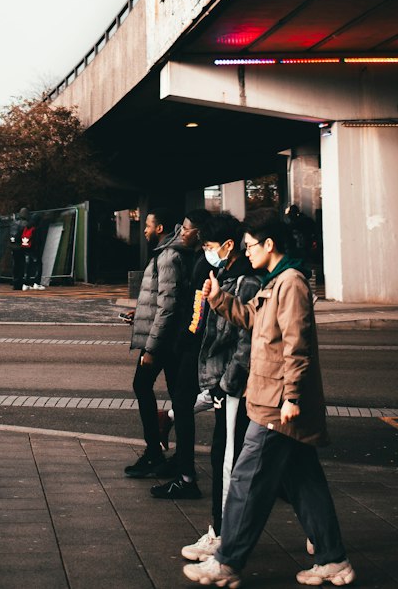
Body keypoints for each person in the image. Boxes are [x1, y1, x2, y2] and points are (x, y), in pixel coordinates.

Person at [184, 208, 355, 589]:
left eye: (249, 246)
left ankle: (227, 561)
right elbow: (254, 321)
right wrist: (218, 301)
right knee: (304, 482)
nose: (246, 253)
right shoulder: (274, 281)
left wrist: (292, 396)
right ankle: (333, 559)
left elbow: (297, 344)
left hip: (278, 403)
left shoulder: (290, 283)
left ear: (269, 244)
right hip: (269, 397)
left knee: (247, 479)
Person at [182, 213, 261, 565]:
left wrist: (226, 384)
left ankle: (222, 535)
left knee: (227, 459)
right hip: (228, 384)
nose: (207, 253)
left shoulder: (245, 281)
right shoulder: (229, 275)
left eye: (211, 246)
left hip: (236, 388)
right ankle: (319, 536)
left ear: (229, 245)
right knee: (284, 464)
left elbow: (243, 340)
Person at [124, 208, 189, 481]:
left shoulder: (168, 256)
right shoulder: (165, 254)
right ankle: (178, 459)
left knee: (142, 386)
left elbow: (167, 305)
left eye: (148, 225)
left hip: (163, 341)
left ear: (160, 228)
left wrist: (150, 348)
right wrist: (138, 314)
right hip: (166, 338)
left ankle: (155, 453)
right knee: (179, 397)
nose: (145, 230)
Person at [151, 208, 209, 501]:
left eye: (185, 228)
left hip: (190, 344)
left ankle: (186, 476)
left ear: (198, 233)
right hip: (190, 342)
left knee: (184, 406)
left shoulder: (201, 264)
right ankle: (181, 466)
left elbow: (196, 311)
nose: (181, 232)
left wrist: (183, 341)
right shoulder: (197, 260)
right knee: (185, 405)